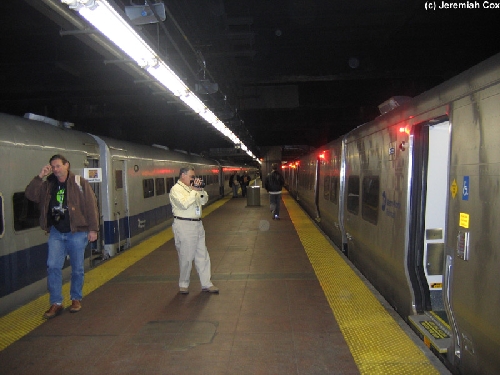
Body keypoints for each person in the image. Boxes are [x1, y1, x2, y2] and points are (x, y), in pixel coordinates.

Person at [25, 154, 99, 319]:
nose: (56, 169)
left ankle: (75, 298)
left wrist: (93, 229)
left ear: (67, 165)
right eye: (53, 167)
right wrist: (40, 176)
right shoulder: (47, 185)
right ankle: (56, 302)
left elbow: (91, 206)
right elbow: (30, 195)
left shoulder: (79, 182)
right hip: (56, 232)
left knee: (77, 268)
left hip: (77, 232)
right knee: (53, 266)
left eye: (58, 166)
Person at [169, 166, 219, 294]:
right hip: (184, 225)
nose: (194, 179)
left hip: (198, 224)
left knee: (203, 254)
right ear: (183, 176)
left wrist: (200, 190)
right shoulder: (176, 190)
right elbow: (184, 204)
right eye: (191, 177)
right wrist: (194, 190)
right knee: (186, 256)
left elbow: (203, 201)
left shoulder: (192, 189)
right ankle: (183, 284)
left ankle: (206, 283)